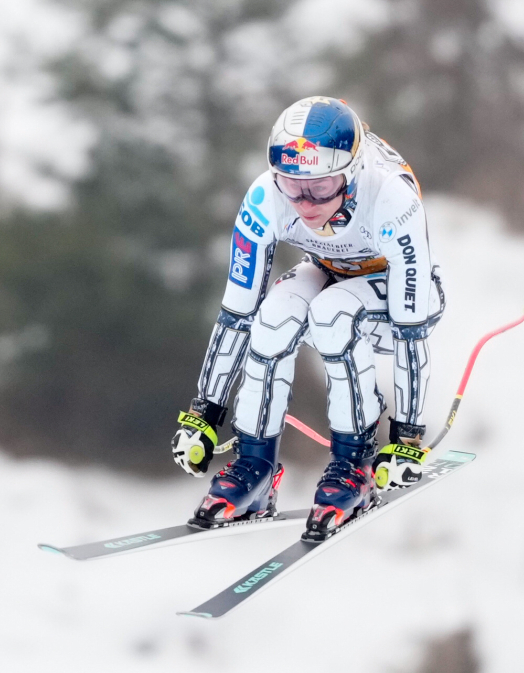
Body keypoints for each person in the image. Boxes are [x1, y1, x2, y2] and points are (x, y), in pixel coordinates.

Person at [171, 96, 444, 542]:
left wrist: (407, 438)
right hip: (331, 270)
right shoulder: (266, 196)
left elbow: (412, 333)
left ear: (352, 173)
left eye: (320, 187)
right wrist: (203, 414)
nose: (305, 203)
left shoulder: (391, 198)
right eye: (292, 185)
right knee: (272, 316)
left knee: (332, 313)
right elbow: (236, 312)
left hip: (402, 288)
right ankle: (254, 468)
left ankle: (353, 467)